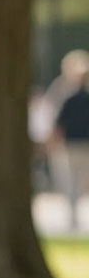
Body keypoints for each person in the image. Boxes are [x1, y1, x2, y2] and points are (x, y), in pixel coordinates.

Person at [52, 67, 89, 230]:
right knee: (80, 181)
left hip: (73, 145)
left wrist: (54, 142)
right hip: (83, 145)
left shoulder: (69, 99)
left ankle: (73, 214)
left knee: (74, 180)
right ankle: (74, 214)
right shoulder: (77, 99)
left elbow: (59, 124)